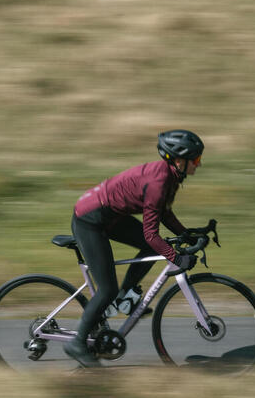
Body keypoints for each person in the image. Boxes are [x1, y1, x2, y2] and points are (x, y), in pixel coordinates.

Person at [64, 129, 204, 367]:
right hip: (90, 220)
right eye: (197, 160)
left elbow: (164, 212)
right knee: (106, 289)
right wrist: (176, 258)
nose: (199, 165)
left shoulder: (170, 176)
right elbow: (152, 234)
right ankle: (77, 343)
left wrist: (186, 235)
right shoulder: (160, 181)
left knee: (153, 248)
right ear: (179, 160)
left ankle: (123, 299)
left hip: (111, 215)